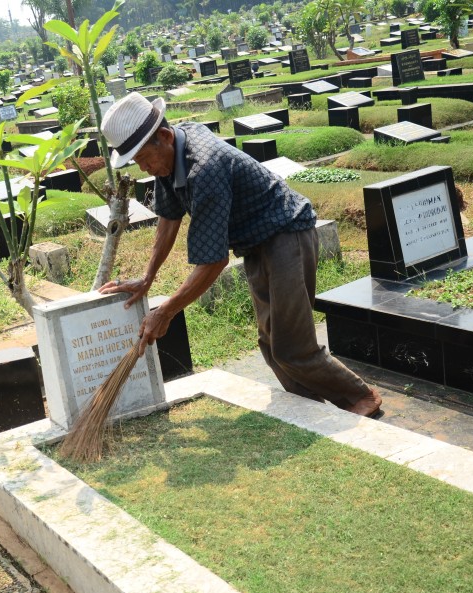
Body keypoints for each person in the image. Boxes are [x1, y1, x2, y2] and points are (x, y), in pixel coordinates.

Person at [97, 92, 382, 417]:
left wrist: (165, 312)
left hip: (287, 233)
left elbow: (213, 262)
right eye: (138, 163)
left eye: (144, 159)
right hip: (256, 242)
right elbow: (169, 217)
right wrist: (148, 277)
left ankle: (361, 397)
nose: (144, 168)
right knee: (270, 343)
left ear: (163, 137)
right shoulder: (172, 154)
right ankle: (310, 409)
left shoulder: (203, 168)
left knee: (292, 346)